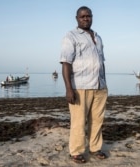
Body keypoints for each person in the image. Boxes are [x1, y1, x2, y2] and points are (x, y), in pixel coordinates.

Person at [60, 6, 108, 164]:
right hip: (80, 86)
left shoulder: (98, 37)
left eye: (88, 16)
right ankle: (76, 151)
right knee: (79, 121)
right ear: (77, 18)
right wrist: (69, 89)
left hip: (100, 87)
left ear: (92, 17)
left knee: (97, 120)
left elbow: (101, 62)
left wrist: (104, 83)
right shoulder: (71, 36)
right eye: (82, 16)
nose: (86, 19)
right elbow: (66, 63)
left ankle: (95, 148)